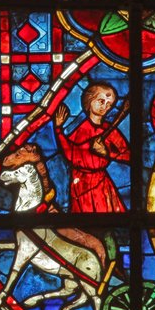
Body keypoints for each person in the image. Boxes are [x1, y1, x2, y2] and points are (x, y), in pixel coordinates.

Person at [54, 82, 130, 213]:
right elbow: (71, 154)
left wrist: (107, 153)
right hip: (79, 183)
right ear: (89, 100)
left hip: (100, 183)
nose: (105, 107)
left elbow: (129, 155)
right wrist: (58, 129)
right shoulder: (80, 129)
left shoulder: (109, 131)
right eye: (101, 101)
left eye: (109, 104)